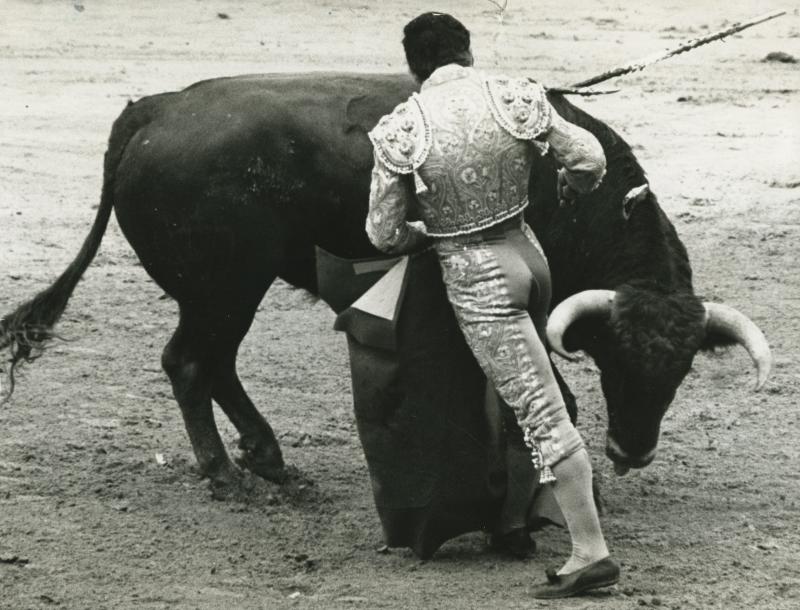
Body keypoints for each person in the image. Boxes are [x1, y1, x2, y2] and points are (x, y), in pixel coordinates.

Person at [365, 12, 619, 598]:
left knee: (538, 408)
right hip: (530, 260)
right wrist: (566, 188)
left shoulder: (402, 128)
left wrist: (427, 235)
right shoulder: (516, 95)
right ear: (469, 52)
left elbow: (382, 232)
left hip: (480, 279)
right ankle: (513, 516)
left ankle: (590, 551)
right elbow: (589, 160)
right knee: (531, 395)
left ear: (414, 66)